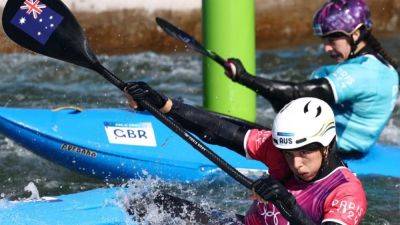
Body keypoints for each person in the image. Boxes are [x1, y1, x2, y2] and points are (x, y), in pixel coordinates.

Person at [124, 82, 367, 225]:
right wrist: (165, 104)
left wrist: (287, 203)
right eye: (288, 153)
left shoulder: (346, 192)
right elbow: (220, 131)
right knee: (149, 202)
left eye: (304, 152)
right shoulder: (279, 149)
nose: (296, 164)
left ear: (326, 144)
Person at [223, 0, 399, 157]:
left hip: (335, 154)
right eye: (324, 41)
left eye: (332, 40)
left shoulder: (364, 73)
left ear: (356, 34)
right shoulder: (380, 67)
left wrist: (243, 77)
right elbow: (292, 100)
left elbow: (296, 93)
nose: (327, 49)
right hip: (343, 148)